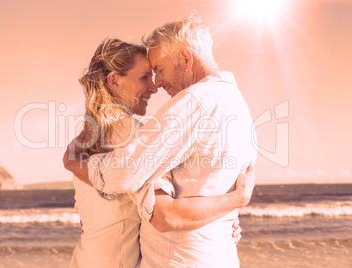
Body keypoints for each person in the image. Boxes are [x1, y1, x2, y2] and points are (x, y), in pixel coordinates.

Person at [65, 38, 255, 267]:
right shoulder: (134, 137)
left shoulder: (88, 135)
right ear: (114, 80)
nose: (154, 87)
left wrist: (222, 221)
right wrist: (234, 201)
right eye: (144, 77)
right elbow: (165, 215)